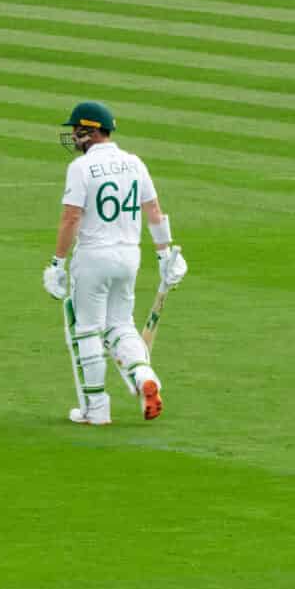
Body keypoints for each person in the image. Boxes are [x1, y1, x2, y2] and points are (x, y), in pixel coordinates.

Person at [47, 101, 185, 426]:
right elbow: (154, 211)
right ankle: (144, 377)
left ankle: (96, 409)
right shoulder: (134, 163)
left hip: (94, 256)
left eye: (76, 131)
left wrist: (57, 263)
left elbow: (70, 218)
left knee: (86, 330)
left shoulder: (81, 169)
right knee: (121, 325)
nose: (73, 137)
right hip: (128, 256)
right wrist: (165, 255)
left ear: (91, 131)